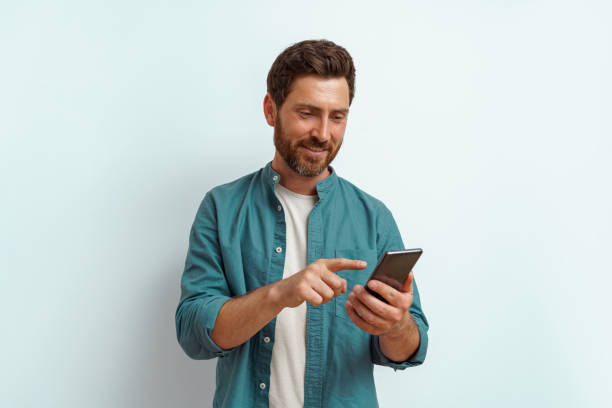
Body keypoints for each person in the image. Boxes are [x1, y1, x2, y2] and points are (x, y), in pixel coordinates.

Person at [175, 39, 429, 408]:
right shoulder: (222, 208)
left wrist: (395, 324)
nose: (323, 133)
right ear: (270, 109)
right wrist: (280, 294)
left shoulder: (374, 218)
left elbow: (410, 346)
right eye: (308, 113)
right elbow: (193, 331)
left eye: (337, 116)